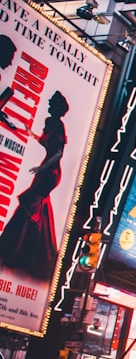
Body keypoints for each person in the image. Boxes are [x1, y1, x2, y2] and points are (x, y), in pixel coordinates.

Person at [0, 90, 69, 280]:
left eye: (50, 103)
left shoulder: (57, 124)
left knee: (30, 205)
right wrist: (33, 135)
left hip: (51, 172)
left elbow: (58, 153)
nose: (47, 105)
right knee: (36, 208)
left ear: (56, 108)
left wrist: (42, 168)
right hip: (46, 170)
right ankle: (30, 251)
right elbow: (49, 145)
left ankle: (21, 252)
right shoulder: (50, 122)